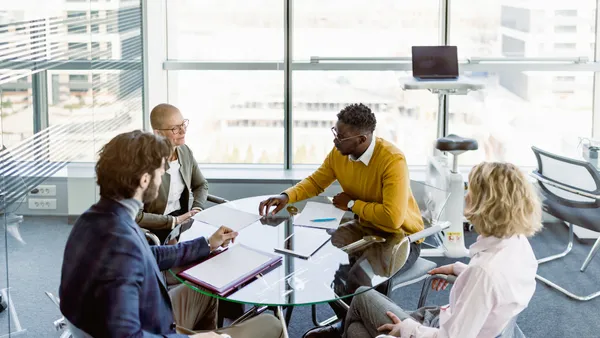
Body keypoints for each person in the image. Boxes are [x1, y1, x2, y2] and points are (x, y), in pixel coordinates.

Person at [59, 130, 283, 338]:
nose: (163, 175)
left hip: (150, 315)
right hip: (155, 329)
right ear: (144, 180)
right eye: (160, 171)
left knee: (205, 289)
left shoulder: (95, 218)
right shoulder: (119, 245)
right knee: (271, 324)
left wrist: (207, 244)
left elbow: (148, 255)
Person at [330, 162, 542, 338]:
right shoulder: (518, 243)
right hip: (450, 321)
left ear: (486, 204)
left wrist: (409, 329)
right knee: (356, 331)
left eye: (472, 191)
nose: (466, 195)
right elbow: (499, 289)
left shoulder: (484, 273)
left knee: (360, 298)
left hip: (440, 331)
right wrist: (462, 271)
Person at [136, 103, 208, 244]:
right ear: (158, 133)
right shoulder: (143, 162)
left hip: (181, 224)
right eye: (175, 128)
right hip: (153, 228)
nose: (183, 131)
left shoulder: (185, 151)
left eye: (183, 124)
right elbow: (135, 215)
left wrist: (197, 208)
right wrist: (174, 221)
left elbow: (201, 185)